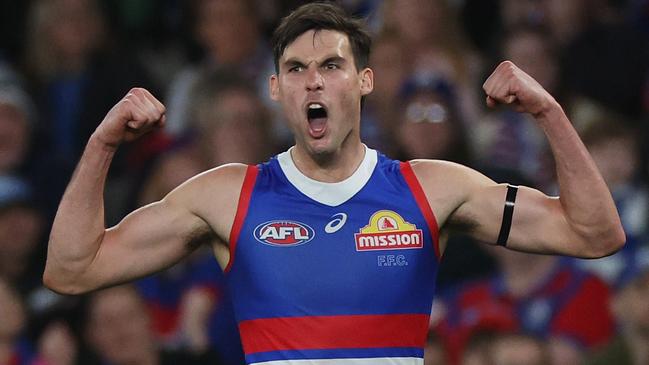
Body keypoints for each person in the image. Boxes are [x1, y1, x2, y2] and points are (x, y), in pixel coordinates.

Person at [43, 3, 625, 365]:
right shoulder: (225, 196)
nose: (313, 82)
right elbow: (72, 268)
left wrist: (549, 112)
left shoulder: (433, 189)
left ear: (365, 80)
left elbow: (594, 232)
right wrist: (102, 145)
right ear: (276, 89)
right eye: (295, 69)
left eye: (331, 66)